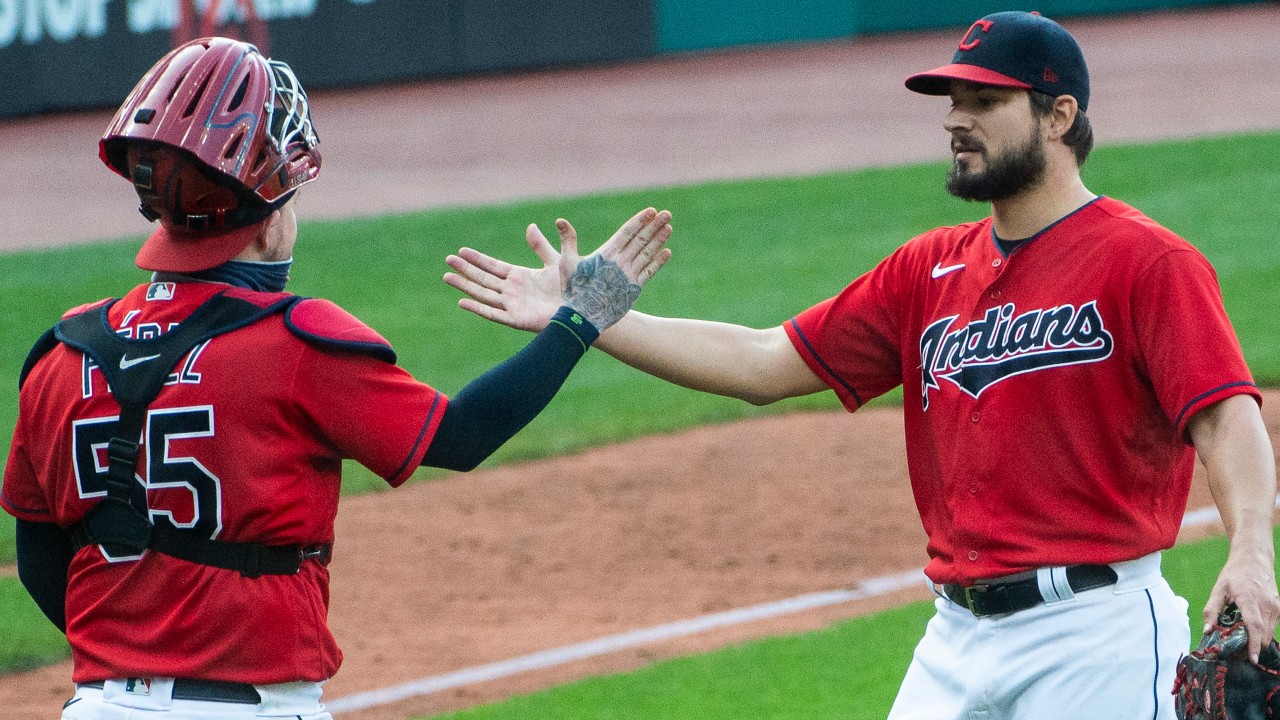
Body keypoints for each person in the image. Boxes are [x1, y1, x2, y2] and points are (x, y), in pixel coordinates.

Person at [443, 11, 1279, 719]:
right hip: (956, 637)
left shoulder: (1145, 262)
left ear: (1059, 117)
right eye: (953, 99)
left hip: (1096, 632)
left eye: (985, 100)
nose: (958, 118)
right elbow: (768, 360)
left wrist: (1249, 548)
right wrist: (589, 319)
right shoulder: (928, 268)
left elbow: (1223, 413)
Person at [1, 37, 671, 720]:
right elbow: (461, 437)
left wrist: (138, 658)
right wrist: (580, 321)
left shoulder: (60, 351)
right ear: (265, 227)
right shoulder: (297, 342)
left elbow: (40, 564)